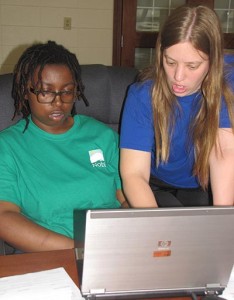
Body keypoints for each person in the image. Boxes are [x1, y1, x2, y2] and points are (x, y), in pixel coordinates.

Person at [0, 41, 127, 253]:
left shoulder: (103, 136)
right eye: (45, 92)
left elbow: (128, 199)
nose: (58, 102)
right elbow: (4, 217)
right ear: (25, 92)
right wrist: (80, 250)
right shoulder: (7, 146)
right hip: (50, 256)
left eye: (67, 91)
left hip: (114, 250)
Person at [120, 5, 234, 208]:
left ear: (214, 61)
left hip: (204, 183)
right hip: (155, 186)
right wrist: (156, 230)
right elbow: (134, 174)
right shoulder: (142, 95)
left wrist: (223, 222)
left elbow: (224, 150)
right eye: (170, 62)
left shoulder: (228, 80)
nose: (178, 77)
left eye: (192, 66)